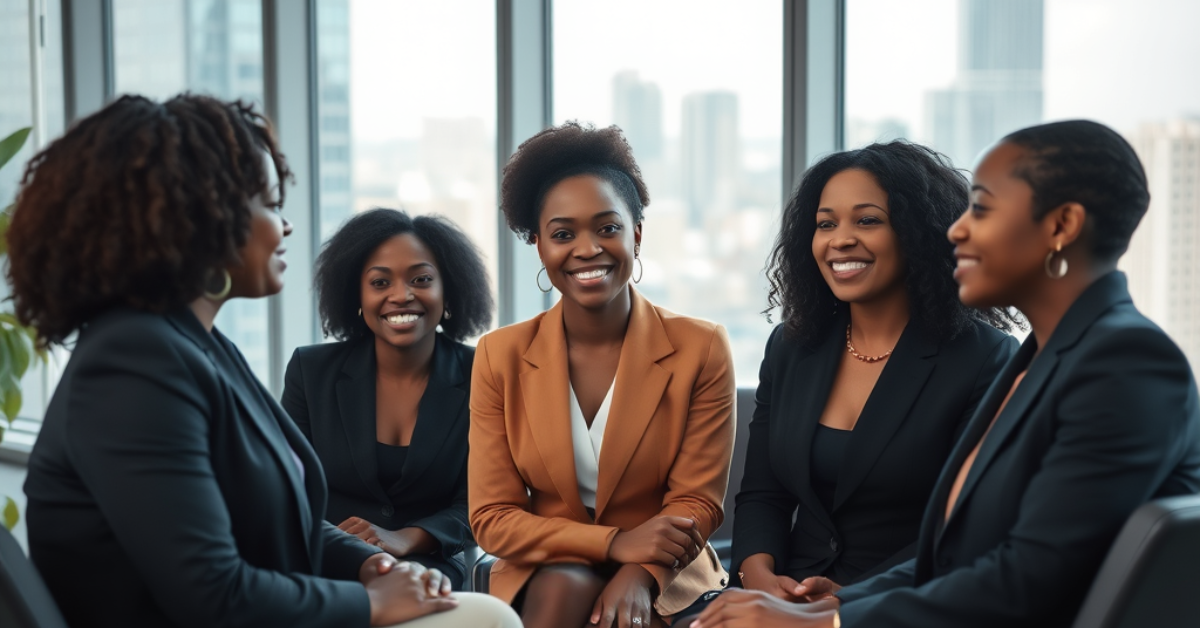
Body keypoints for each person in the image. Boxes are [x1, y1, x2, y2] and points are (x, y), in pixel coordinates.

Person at [11, 94, 520, 628]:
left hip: (297, 596)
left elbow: (288, 517)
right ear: (207, 217)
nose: (286, 226)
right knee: (487, 619)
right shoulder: (132, 364)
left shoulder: (198, 346)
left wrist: (373, 565)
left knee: (482, 614)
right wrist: (371, 604)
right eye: (271, 205)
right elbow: (210, 593)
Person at [690, 120, 1200, 628]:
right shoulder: (1043, 357)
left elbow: (1029, 579)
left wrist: (823, 623)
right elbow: (955, 552)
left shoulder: (1125, 363)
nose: (956, 228)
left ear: (1062, 226)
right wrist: (838, 607)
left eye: (981, 207)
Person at [468, 122, 736, 628]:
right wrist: (613, 542)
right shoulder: (499, 355)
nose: (587, 248)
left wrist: (637, 570)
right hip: (547, 569)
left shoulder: (701, 347)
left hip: (665, 576)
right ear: (539, 246)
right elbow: (492, 517)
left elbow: (697, 500)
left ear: (636, 233)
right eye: (563, 234)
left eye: (607, 228)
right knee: (565, 586)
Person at [727, 141, 1019, 606]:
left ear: (918, 232)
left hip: (899, 601)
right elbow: (764, 492)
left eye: (867, 220)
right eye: (826, 224)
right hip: (779, 594)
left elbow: (964, 526)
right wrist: (758, 574)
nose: (840, 239)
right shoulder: (791, 346)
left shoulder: (986, 359)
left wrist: (850, 600)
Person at [282, 208, 493, 590]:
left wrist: (405, 537)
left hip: (429, 565)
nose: (401, 295)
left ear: (449, 290)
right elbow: (286, 487)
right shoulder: (310, 371)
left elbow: (482, 501)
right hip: (326, 562)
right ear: (356, 295)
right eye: (380, 283)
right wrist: (350, 548)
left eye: (422, 279)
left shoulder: (483, 373)